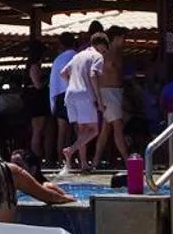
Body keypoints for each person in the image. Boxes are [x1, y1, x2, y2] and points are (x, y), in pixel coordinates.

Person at [61, 33, 108, 171]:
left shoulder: (77, 56)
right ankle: (70, 150)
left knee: (82, 131)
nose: (104, 52)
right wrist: (99, 99)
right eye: (105, 49)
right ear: (101, 46)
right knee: (94, 130)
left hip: (70, 94)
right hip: (85, 95)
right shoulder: (97, 56)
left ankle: (84, 163)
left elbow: (63, 73)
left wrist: (72, 84)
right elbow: (93, 74)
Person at [91, 27, 128, 170]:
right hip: (109, 92)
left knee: (106, 130)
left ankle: (95, 161)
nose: (124, 41)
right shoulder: (105, 55)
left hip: (114, 92)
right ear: (116, 38)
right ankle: (127, 160)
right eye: (122, 37)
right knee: (117, 126)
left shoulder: (116, 54)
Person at [48, 31, 77, 164]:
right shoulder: (75, 56)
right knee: (76, 129)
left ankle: (61, 160)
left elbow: (54, 81)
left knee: (62, 131)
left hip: (59, 95)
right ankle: (73, 158)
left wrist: (52, 102)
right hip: (72, 94)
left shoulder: (58, 59)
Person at [20, 55, 52, 164]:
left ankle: (46, 157)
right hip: (37, 102)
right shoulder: (34, 67)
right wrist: (48, 80)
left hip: (39, 102)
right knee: (37, 131)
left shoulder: (33, 66)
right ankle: (36, 158)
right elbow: (37, 85)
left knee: (44, 131)